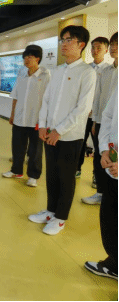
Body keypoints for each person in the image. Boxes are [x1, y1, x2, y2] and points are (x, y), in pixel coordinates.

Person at [29, 25, 96, 236]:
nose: (64, 44)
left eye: (69, 40)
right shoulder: (57, 71)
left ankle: (60, 218)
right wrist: (43, 125)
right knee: (52, 175)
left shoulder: (87, 73)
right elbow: (47, 100)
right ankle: (50, 211)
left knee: (66, 177)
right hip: (50, 132)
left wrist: (59, 130)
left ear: (81, 44)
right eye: (62, 40)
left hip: (70, 136)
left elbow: (83, 108)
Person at [3, 45, 51, 187]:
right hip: (20, 117)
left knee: (35, 150)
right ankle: (16, 171)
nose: (26, 60)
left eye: (30, 57)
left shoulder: (45, 75)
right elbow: (16, 96)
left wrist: (45, 121)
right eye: (25, 57)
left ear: (38, 58)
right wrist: (12, 114)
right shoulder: (22, 73)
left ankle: (33, 176)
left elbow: (49, 100)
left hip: (36, 119)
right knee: (17, 147)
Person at [84, 87, 118, 281]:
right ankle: (115, 264)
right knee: (109, 216)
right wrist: (105, 149)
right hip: (113, 163)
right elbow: (108, 116)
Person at [82, 33, 117, 205]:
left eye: (117, 45)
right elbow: (98, 97)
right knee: (100, 156)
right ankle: (101, 192)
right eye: (113, 44)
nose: (114, 48)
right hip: (103, 122)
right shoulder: (106, 71)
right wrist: (95, 121)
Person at [77, 36, 111, 181]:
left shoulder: (108, 70)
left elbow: (105, 95)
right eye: (93, 48)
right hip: (84, 115)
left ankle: (96, 176)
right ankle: (77, 168)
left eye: (99, 48)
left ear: (106, 50)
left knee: (99, 147)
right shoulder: (86, 69)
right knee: (80, 142)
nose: (95, 51)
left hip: (99, 116)